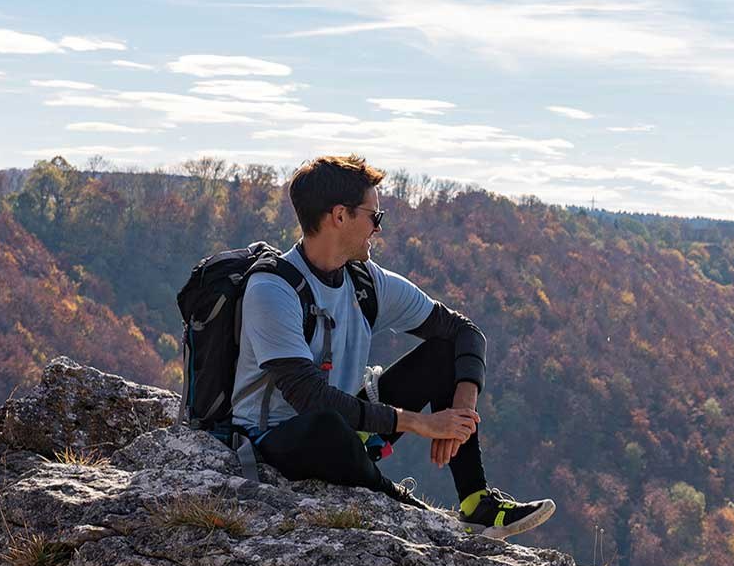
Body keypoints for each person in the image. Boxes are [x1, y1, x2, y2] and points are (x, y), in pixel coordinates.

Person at [230, 154, 553, 539]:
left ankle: (475, 504)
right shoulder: (272, 290)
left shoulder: (366, 282)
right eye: (374, 217)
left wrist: (460, 413)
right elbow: (309, 399)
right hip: (277, 441)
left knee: (442, 353)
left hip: (345, 431)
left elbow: (464, 333)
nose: (378, 229)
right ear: (339, 216)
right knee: (326, 426)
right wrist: (420, 422)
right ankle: (407, 509)